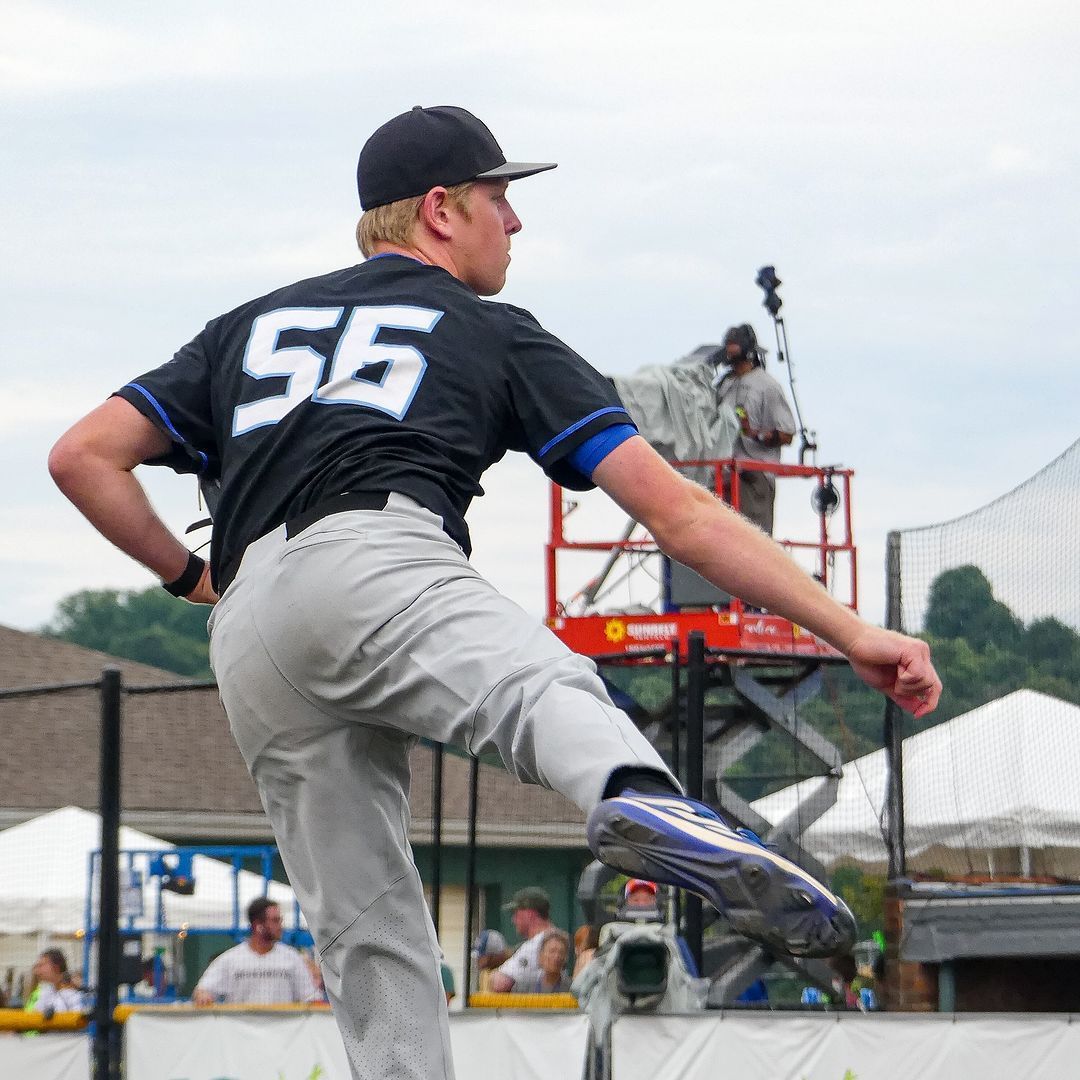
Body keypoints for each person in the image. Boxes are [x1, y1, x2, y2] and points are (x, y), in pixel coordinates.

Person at [49, 104, 941, 1080]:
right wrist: (851, 631)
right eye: (499, 197)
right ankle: (636, 794)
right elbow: (680, 514)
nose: (514, 222)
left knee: (369, 937)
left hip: (252, 626)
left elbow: (83, 457)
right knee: (538, 690)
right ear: (441, 209)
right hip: (378, 554)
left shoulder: (247, 329)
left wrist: (193, 578)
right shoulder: (489, 330)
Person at [712, 323, 796, 535]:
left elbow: (787, 433)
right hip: (723, 473)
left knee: (750, 539)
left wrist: (754, 433)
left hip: (753, 478)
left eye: (734, 346)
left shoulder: (766, 386)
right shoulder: (724, 385)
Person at [192, 898, 319, 1006]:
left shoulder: (291, 958)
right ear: (258, 925)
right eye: (275, 920)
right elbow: (203, 990)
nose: (281, 925)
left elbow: (310, 996)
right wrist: (203, 995)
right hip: (241, 1030)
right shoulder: (231, 959)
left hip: (282, 1032)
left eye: (280, 920)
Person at [489, 887, 557, 993]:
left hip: (541, 1007)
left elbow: (500, 983)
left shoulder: (536, 944)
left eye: (516, 913)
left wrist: (492, 976)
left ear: (529, 914)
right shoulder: (560, 938)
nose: (513, 920)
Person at [26, 949, 84, 1015]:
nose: (36, 970)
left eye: (41, 965)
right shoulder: (44, 992)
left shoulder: (73, 994)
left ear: (56, 967)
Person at [522, 929, 572, 994]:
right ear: (541, 955)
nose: (556, 956)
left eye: (561, 952)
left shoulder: (571, 988)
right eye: (552, 951)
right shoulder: (525, 986)